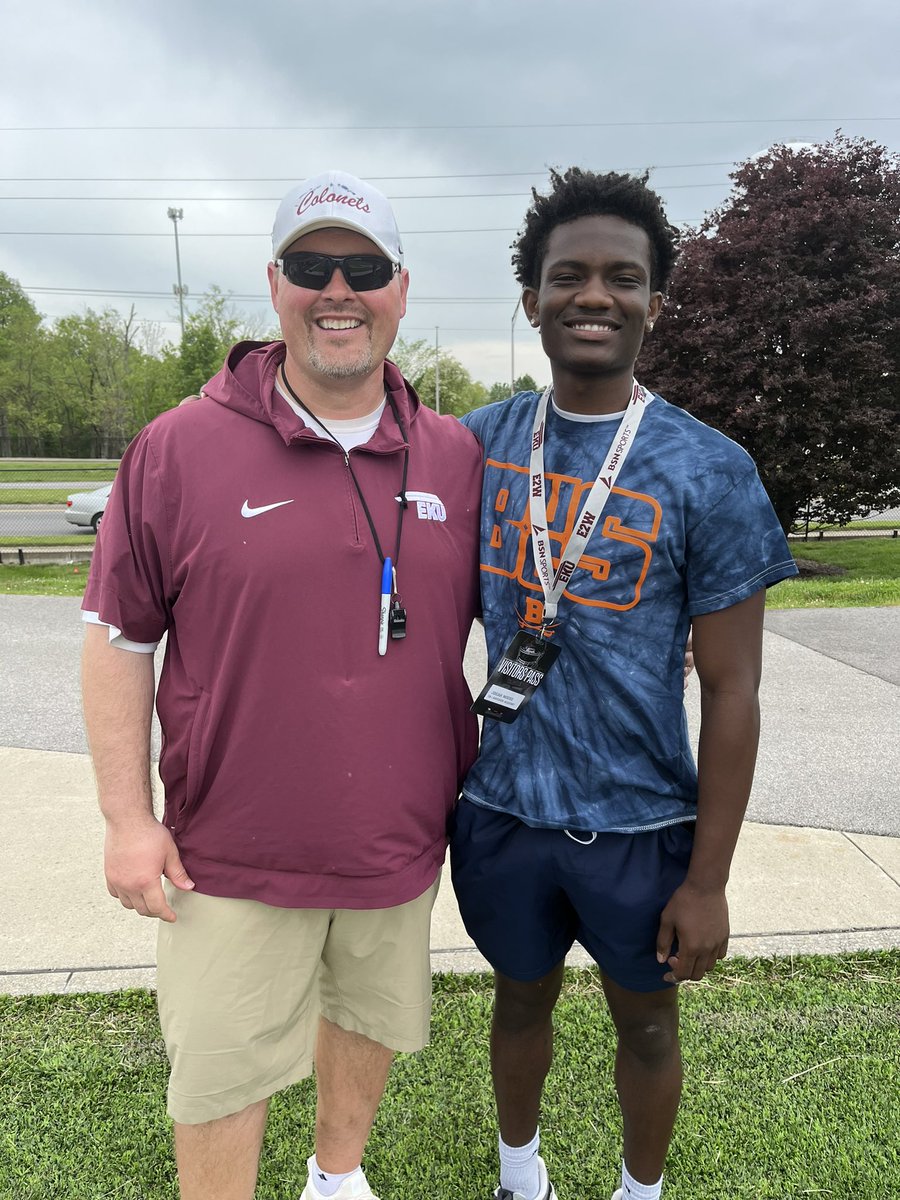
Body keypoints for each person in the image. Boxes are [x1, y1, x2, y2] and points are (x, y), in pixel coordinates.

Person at [81, 171, 483, 1200]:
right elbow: (118, 639)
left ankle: (335, 1179)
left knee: (368, 1019)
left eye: (364, 268)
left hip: (399, 842)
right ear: (275, 283)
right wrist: (129, 820)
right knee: (220, 1072)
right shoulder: (179, 448)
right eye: (312, 266)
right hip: (232, 850)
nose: (337, 289)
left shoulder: (455, 454)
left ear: (402, 287)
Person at [450, 167, 798, 1200]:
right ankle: (523, 1177)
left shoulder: (709, 468)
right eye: (568, 275)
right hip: (500, 809)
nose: (592, 295)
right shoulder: (478, 444)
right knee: (518, 1001)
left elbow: (733, 691)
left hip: (644, 826)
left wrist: (709, 880)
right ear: (532, 300)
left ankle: (637, 1192)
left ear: (655, 300)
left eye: (621, 277)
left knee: (646, 1021)